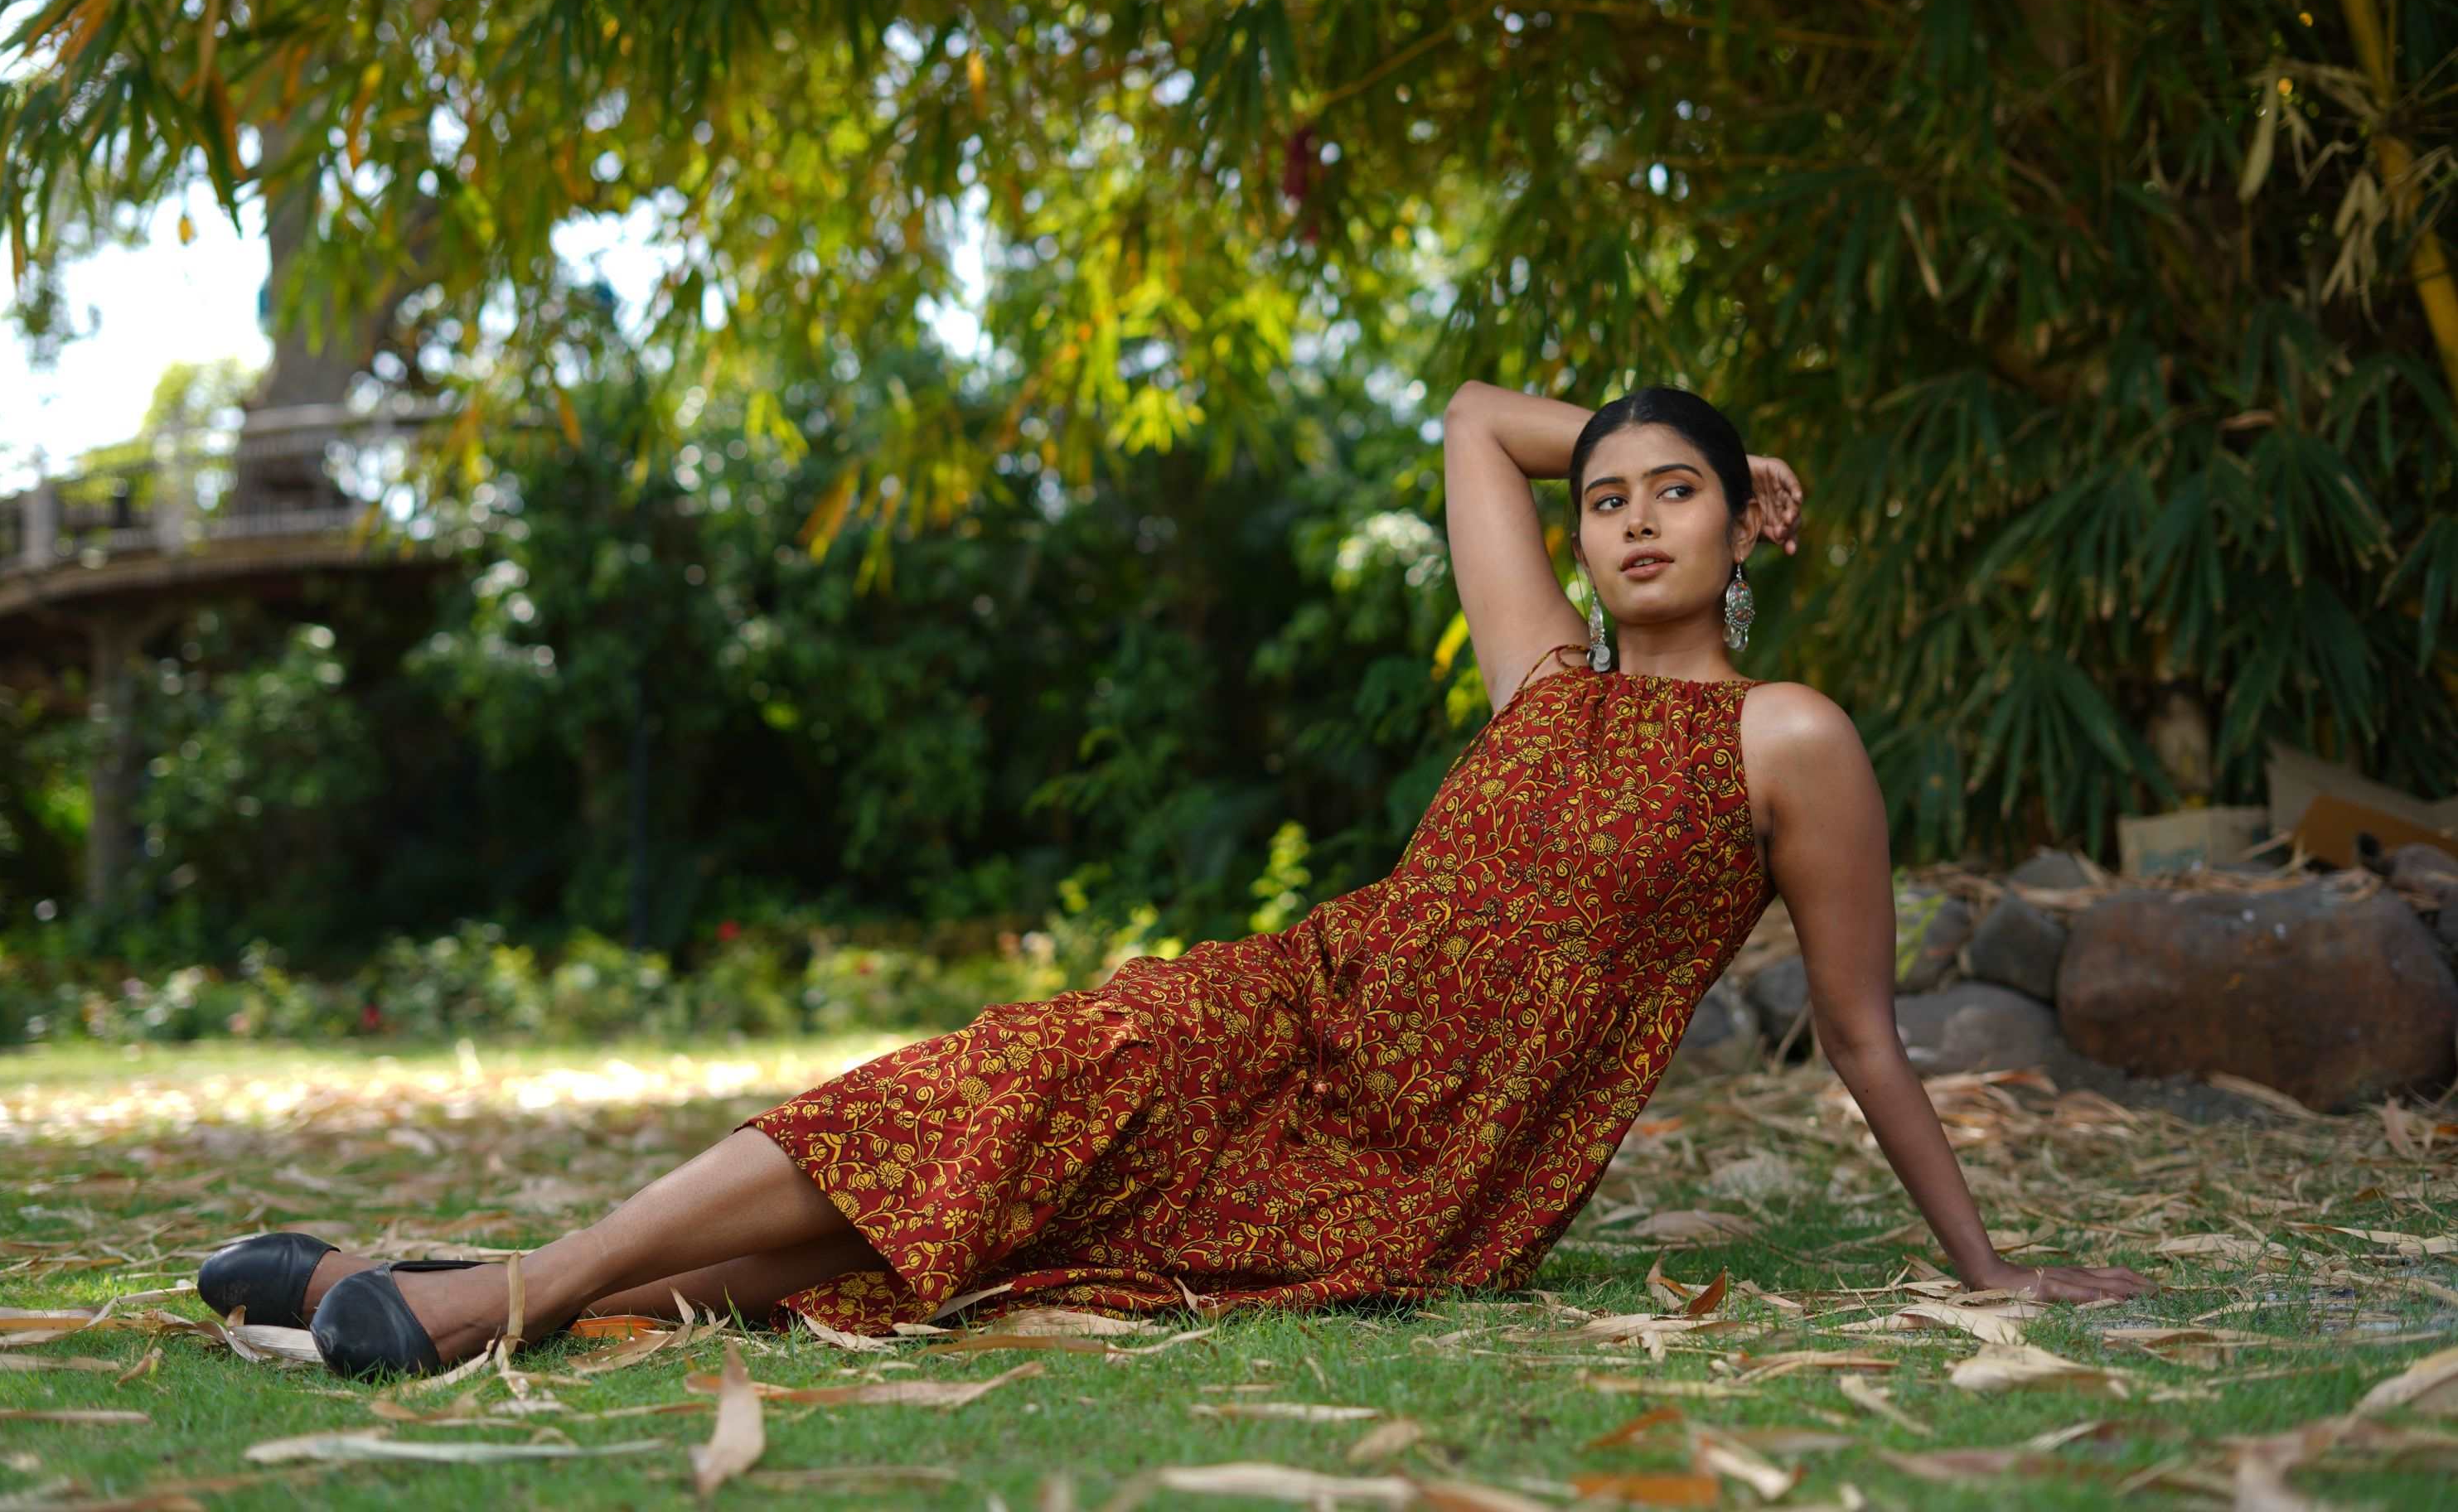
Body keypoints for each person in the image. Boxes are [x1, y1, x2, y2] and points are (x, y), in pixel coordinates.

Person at [201, 380, 2150, 1378]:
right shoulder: (1541, 673)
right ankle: (461, 1296)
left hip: (1425, 1165)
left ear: (1745, 532)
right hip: (1299, 1014)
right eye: (1613, 496)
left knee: (976, 1168)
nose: (1635, 519)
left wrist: (1991, 1270)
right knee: (969, 1156)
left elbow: (1872, 1041)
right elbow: (1481, 418)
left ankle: (475, 1299)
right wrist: (1702, 430)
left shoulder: (1785, 739)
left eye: (1683, 492)